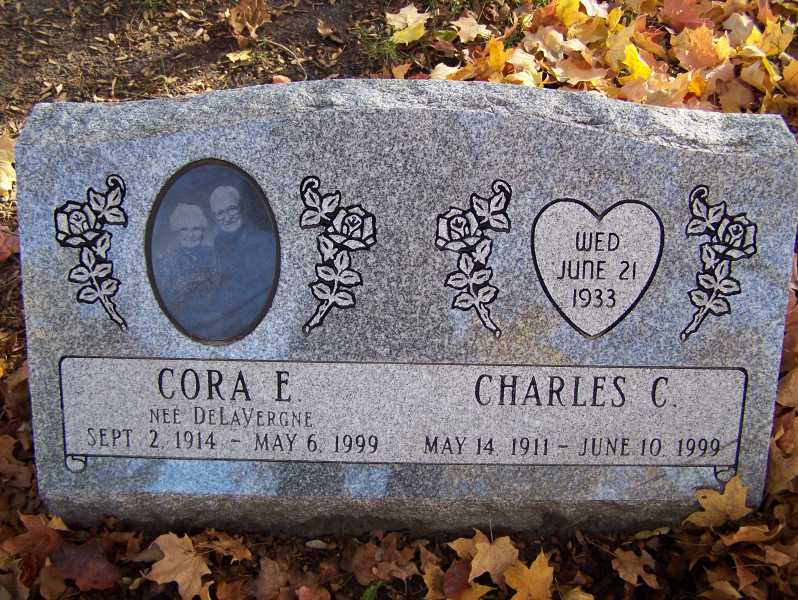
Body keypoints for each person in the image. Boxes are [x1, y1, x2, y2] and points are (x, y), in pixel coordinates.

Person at [207, 185, 276, 339]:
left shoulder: (265, 241)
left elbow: (265, 291)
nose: (227, 217)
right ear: (214, 216)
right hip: (229, 319)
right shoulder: (219, 242)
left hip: (256, 322)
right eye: (220, 213)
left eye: (231, 209)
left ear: (241, 207)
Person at [158, 203, 223, 336]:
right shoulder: (167, 259)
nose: (191, 235)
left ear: (203, 231)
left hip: (213, 318)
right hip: (182, 322)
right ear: (177, 232)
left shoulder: (212, 254)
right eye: (184, 229)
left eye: (196, 229)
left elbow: (220, 287)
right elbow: (165, 300)